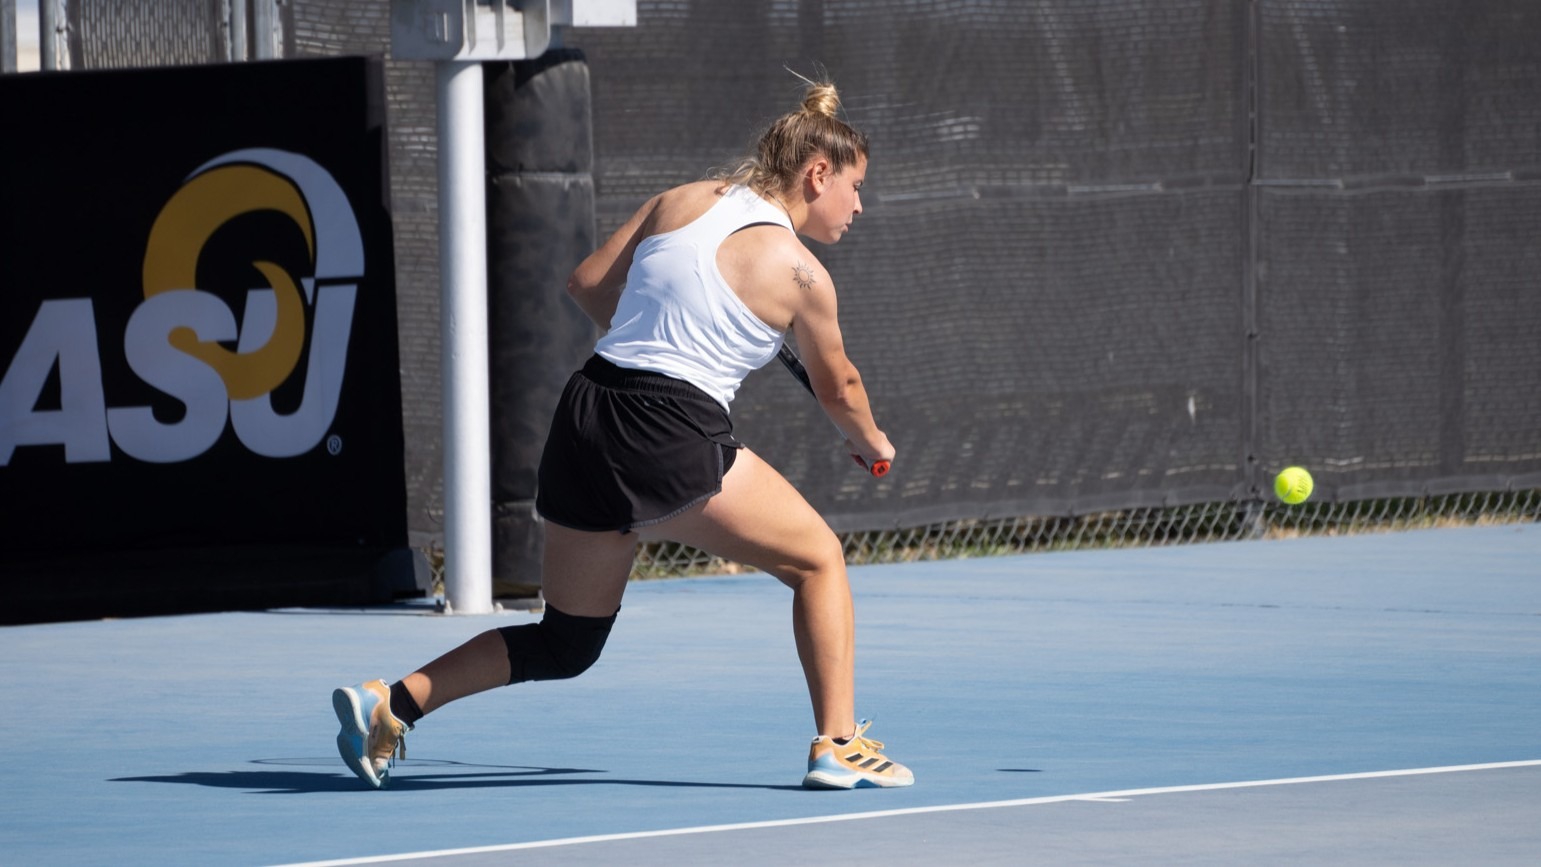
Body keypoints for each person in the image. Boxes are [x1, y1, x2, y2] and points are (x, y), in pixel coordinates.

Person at [332, 76, 909, 791]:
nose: (857, 204)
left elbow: (587, 285)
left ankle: (391, 703)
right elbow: (840, 387)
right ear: (817, 174)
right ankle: (838, 743)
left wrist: (656, 330)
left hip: (585, 414)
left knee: (566, 641)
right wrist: (873, 440)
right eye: (853, 186)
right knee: (819, 558)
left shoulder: (683, 199)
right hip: (667, 427)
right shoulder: (802, 273)